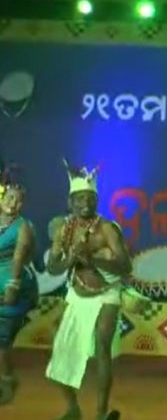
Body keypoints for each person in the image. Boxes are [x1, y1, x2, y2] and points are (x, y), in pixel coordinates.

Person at [46, 160, 133, 420]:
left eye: (90, 198)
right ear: (70, 202)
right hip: (78, 293)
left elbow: (125, 266)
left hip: (107, 292)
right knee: (61, 348)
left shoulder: (107, 229)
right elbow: (53, 268)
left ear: (97, 200)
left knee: (102, 344)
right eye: (79, 198)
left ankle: (101, 413)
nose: (85, 203)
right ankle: (72, 408)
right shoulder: (64, 230)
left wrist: (92, 259)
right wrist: (71, 259)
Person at [0, 159, 37, 405]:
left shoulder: (23, 227)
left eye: (19, 200)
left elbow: (18, 257)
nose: (14, 203)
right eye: (10, 198)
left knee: (1, 338)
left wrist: (12, 286)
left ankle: (7, 380)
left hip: (13, 285)